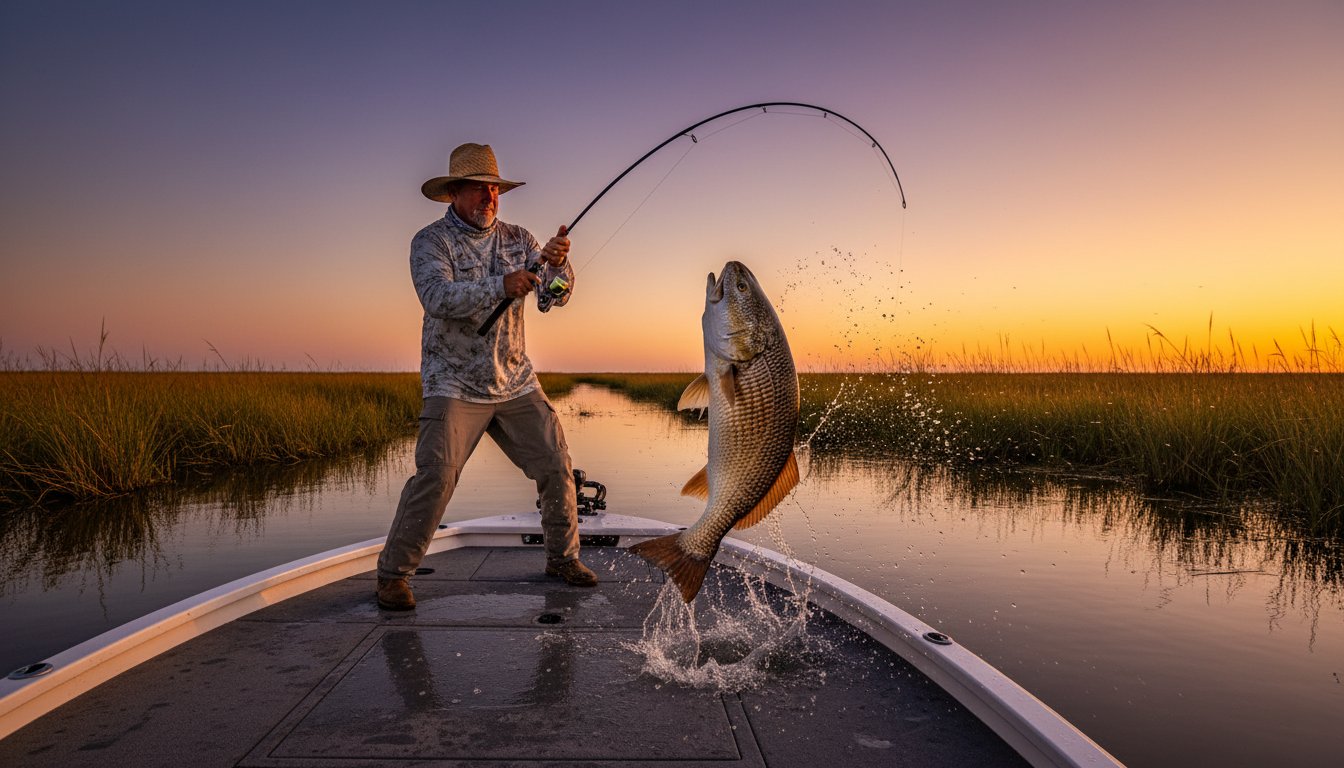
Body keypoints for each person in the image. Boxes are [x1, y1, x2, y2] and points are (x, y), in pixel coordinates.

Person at [376, 142, 596, 611]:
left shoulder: (520, 238)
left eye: (494, 189)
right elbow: (437, 297)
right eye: (478, 189)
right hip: (453, 383)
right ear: (453, 192)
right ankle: (393, 575)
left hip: (515, 380)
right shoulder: (430, 242)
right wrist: (500, 284)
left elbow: (553, 297)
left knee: (557, 466)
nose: (489, 198)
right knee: (436, 476)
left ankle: (562, 559)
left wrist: (559, 266)